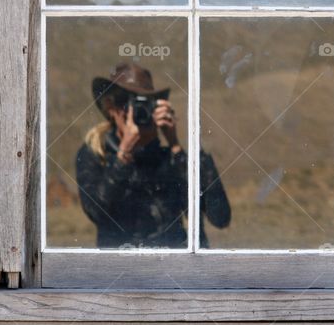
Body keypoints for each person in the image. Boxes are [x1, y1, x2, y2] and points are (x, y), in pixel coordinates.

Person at [76, 62, 231, 249]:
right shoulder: (96, 154)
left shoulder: (168, 158)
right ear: (111, 107)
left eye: (144, 104)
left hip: (172, 268)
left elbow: (220, 217)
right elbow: (97, 212)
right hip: (120, 270)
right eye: (126, 102)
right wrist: (123, 155)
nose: (136, 113)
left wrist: (175, 146)